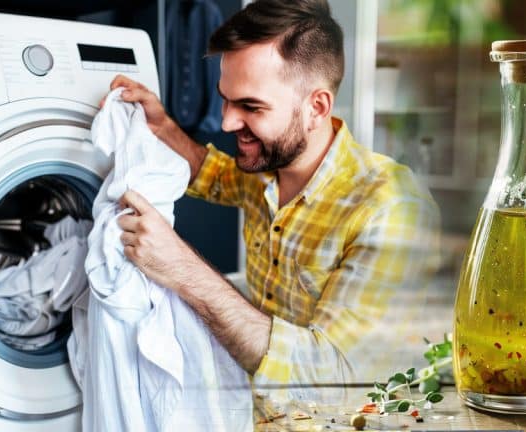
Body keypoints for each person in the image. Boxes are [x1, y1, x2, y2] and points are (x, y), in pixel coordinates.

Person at [110, 0, 439, 399]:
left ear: (316, 107)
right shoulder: (268, 168)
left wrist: (180, 267)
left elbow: (334, 379)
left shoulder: (392, 208)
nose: (228, 122)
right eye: (225, 99)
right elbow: (211, 173)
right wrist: (162, 126)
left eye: (250, 106)